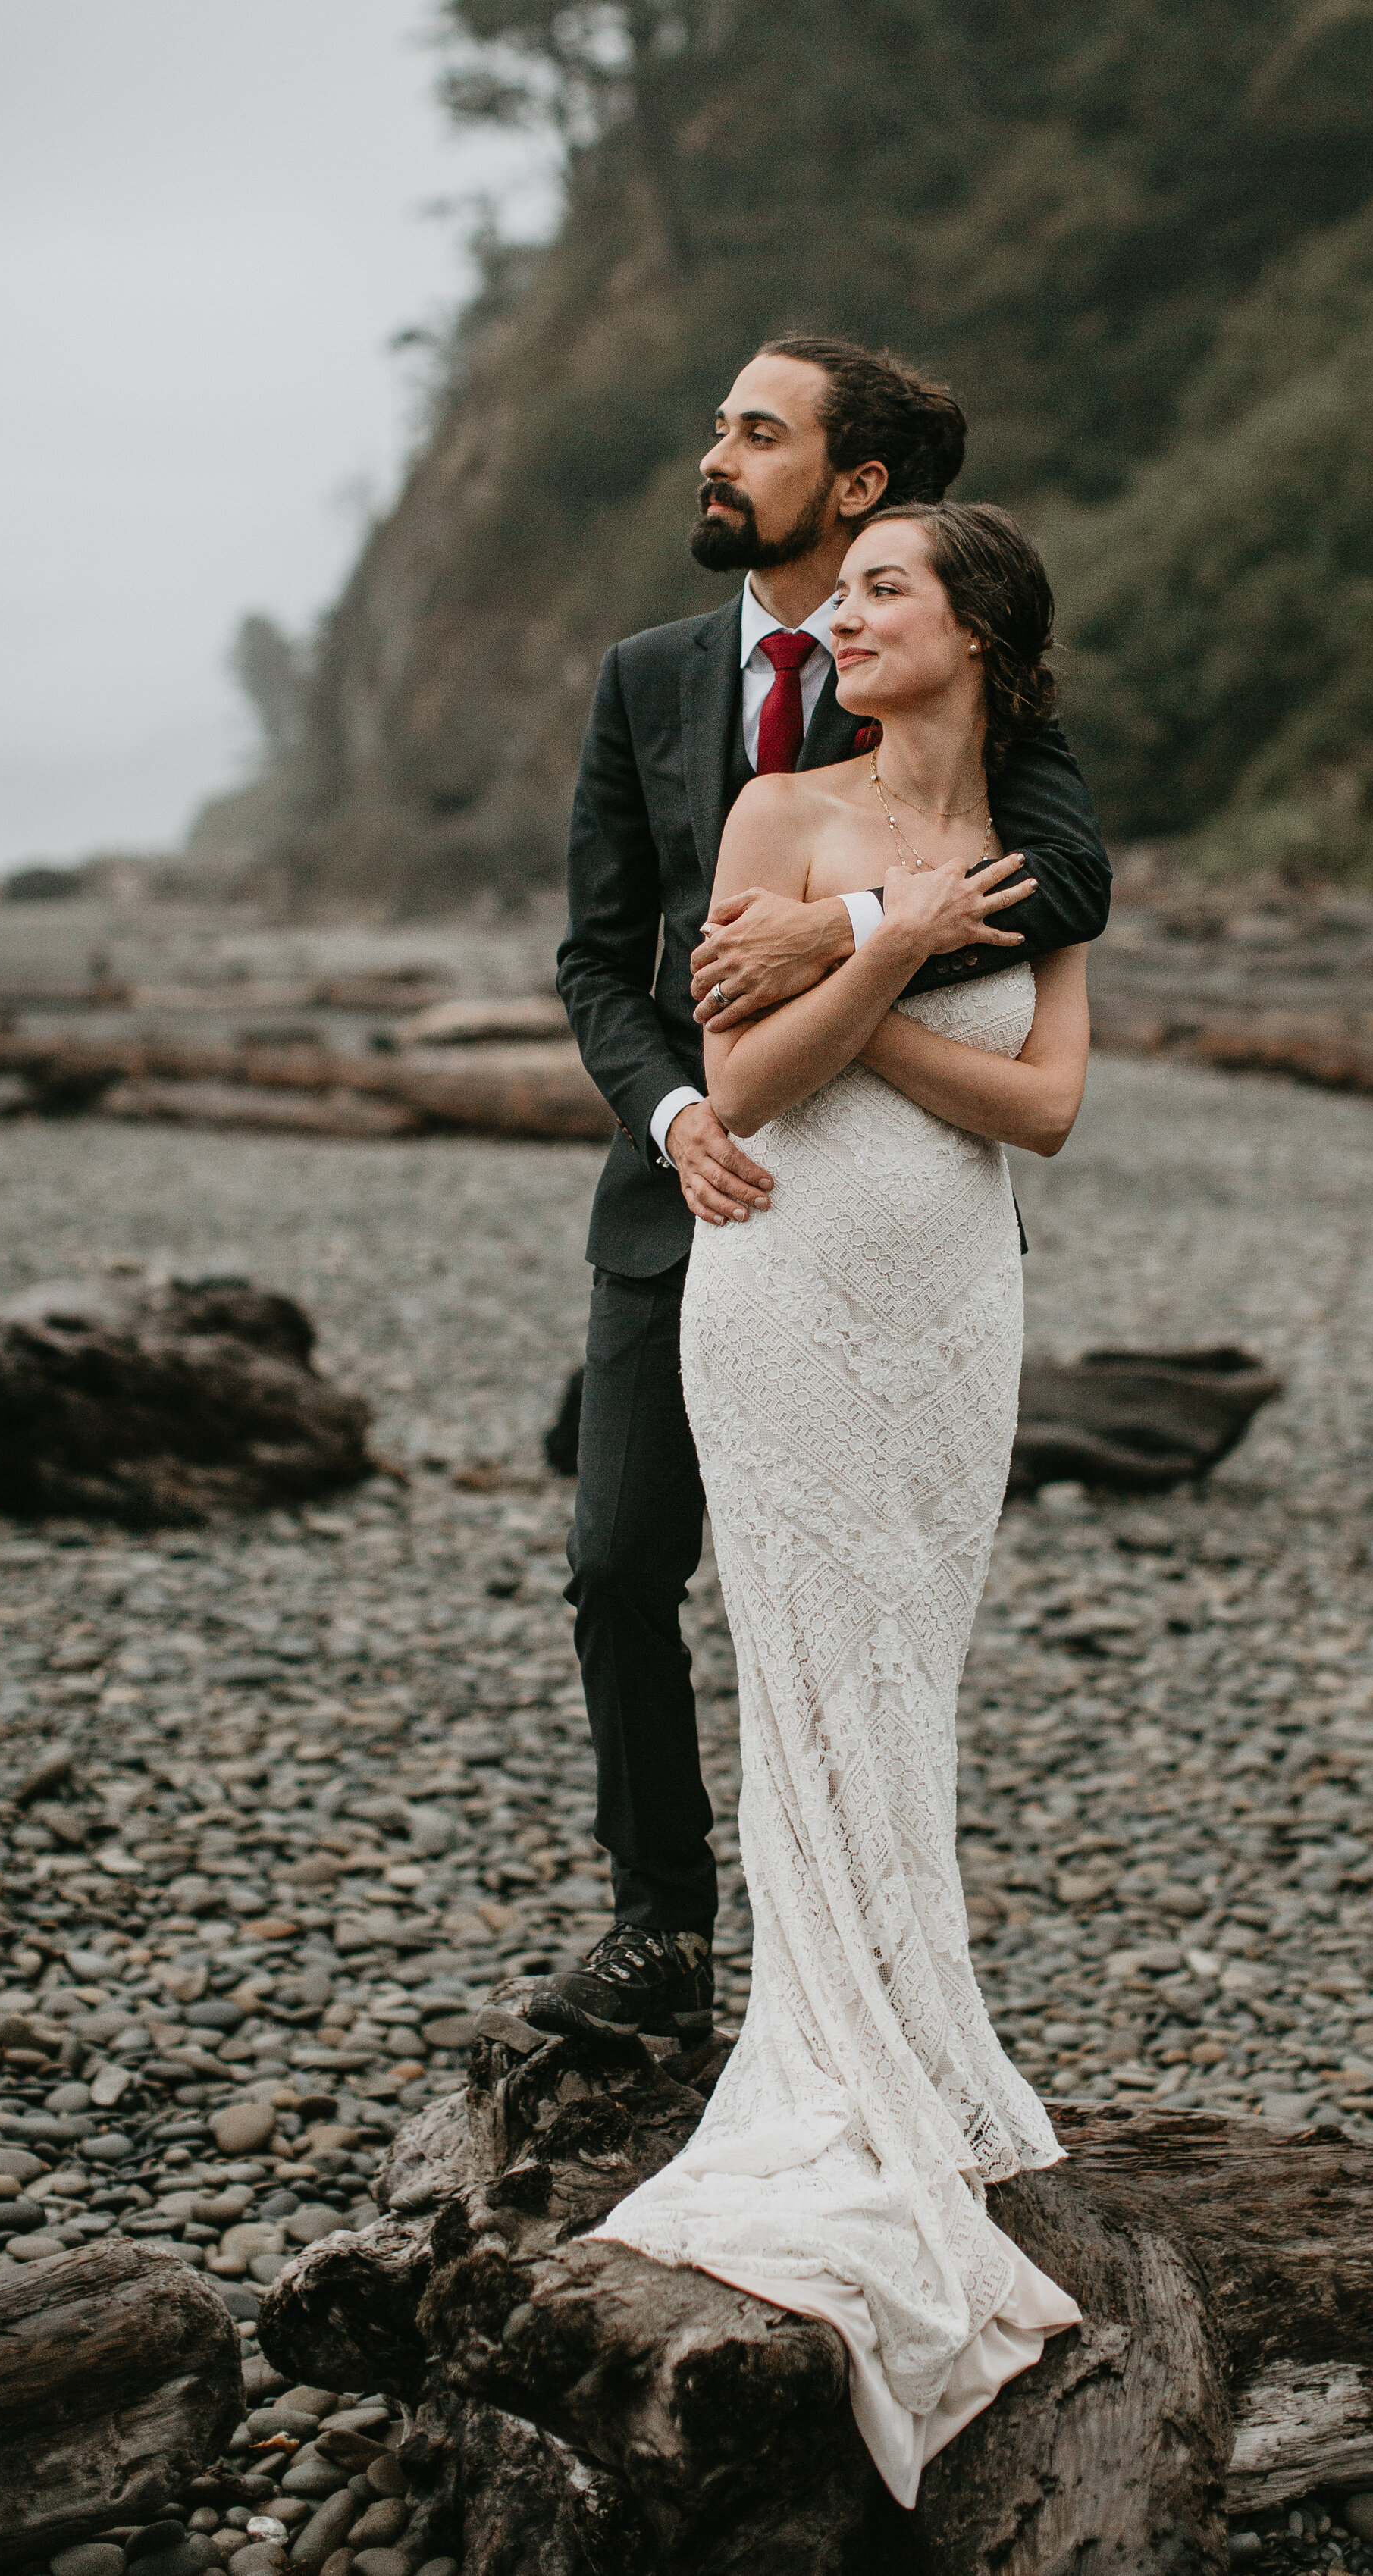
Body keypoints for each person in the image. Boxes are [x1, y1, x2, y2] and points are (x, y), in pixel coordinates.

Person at [587, 498, 1092, 2504]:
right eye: (846, 588)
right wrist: (884, 946)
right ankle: (833, 2072)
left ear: (975, 636)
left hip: (955, 1305)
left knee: (913, 1672)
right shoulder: (777, 816)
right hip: (785, 1290)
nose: (841, 614)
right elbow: (755, 1072)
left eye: (884, 589)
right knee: (807, 1668)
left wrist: (869, 971)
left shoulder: (1041, 855)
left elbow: (1049, 1101)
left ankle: (917, 2033)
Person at [541, 335, 1111, 2052]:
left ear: (857, 482)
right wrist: (667, 1121)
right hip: (693, 1189)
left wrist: (840, 936)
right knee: (618, 1559)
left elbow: (1066, 880)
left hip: (908, 1231)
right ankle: (660, 1926)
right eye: (718, 425)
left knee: (882, 1605)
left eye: (755, 433)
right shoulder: (648, 678)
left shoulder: (978, 697)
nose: (712, 455)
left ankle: (868, 1977)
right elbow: (596, 959)